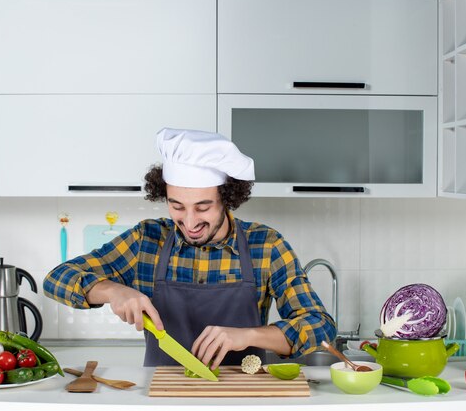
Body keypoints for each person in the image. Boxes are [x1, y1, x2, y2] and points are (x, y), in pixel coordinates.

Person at [43, 128, 336, 368]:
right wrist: (113, 291)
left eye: (203, 207)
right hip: (162, 396)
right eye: (177, 206)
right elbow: (56, 278)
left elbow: (320, 326)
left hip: (241, 398)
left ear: (227, 197)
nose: (190, 221)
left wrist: (248, 336)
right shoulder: (147, 240)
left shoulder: (266, 245)